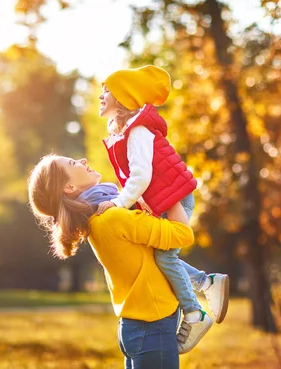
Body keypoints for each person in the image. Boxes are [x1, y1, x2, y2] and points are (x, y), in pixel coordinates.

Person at [96, 66, 229, 352]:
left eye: (106, 90)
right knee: (160, 256)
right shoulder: (127, 131)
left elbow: (141, 176)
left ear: (122, 98)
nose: (100, 95)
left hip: (175, 200)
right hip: (165, 200)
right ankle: (208, 282)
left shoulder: (138, 130)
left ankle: (194, 315)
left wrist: (120, 203)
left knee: (165, 259)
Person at [28, 154, 195, 368]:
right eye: (72, 163)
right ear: (68, 187)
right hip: (153, 327)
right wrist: (171, 196)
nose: (83, 160)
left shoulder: (96, 220)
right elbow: (182, 234)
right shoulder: (111, 218)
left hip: (135, 327)